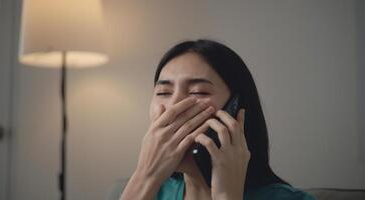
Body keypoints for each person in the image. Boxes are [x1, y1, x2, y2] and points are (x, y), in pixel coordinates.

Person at [119, 39, 315, 200]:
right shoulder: (146, 191)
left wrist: (226, 196)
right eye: (163, 92)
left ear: (235, 109)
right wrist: (144, 177)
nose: (174, 105)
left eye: (199, 91)